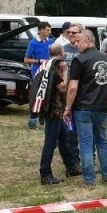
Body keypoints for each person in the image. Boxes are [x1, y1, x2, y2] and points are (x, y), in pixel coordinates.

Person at [63, 29, 107, 187]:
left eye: (78, 41)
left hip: (83, 108)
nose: (75, 44)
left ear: (87, 41)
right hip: (102, 106)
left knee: (86, 143)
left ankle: (89, 179)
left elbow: (73, 87)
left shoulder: (79, 60)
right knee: (102, 141)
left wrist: (67, 107)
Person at [35, 38, 81, 185]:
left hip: (57, 110)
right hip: (54, 110)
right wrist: (66, 71)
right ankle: (45, 173)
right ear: (62, 53)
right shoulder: (55, 67)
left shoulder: (47, 64)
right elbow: (62, 87)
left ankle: (71, 167)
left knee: (64, 139)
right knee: (50, 142)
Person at [24, 23, 53, 130]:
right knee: (37, 96)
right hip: (37, 73)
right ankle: (32, 119)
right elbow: (26, 59)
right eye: (47, 30)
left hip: (49, 72)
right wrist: (39, 61)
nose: (49, 32)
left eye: (50, 30)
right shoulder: (33, 43)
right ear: (40, 30)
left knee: (48, 96)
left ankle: (43, 117)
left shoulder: (51, 41)